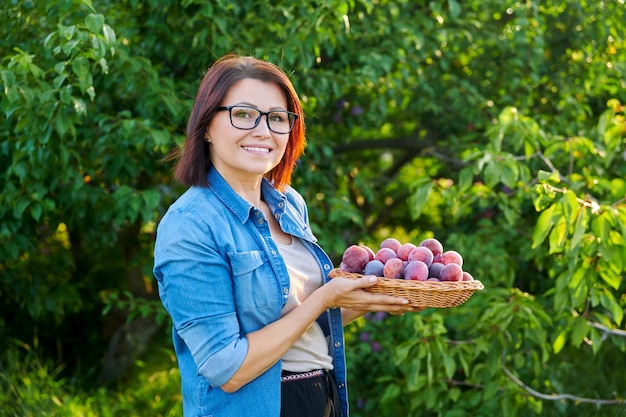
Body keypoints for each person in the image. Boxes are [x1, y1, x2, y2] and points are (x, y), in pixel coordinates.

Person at [153, 53, 412, 417]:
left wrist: (364, 302)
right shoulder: (190, 225)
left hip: (322, 397)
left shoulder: (289, 204)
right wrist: (325, 299)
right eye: (243, 114)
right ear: (207, 125)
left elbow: (302, 326)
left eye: (277, 118)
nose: (263, 131)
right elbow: (226, 368)